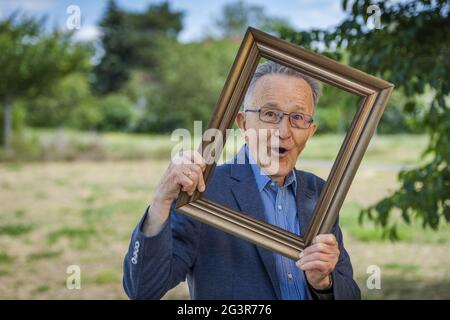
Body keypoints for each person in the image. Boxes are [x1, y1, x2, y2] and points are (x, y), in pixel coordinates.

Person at [123, 61, 361, 300]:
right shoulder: (203, 191)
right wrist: (161, 201)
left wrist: (324, 283)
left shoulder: (319, 191)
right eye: (270, 114)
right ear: (244, 124)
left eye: (298, 117)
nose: (284, 131)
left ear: (310, 131)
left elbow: (349, 293)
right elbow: (143, 289)